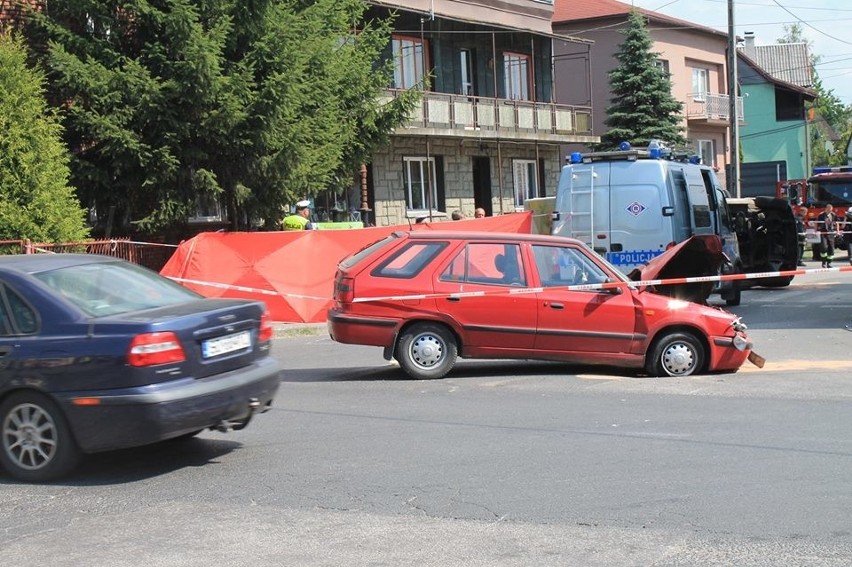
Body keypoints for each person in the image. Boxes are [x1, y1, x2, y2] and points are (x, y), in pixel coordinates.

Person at [817, 203, 838, 267]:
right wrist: (816, 230)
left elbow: (837, 223)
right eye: (829, 210)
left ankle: (829, 263)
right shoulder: (821, 215)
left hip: (831, 233)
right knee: (824, 247)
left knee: (831, 248)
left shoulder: (833, 215)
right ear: (826, 209)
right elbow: (817, 223)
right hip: (823, 233)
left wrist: (837, 231)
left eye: (831, 210)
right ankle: (824, 262)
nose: (830, 211)